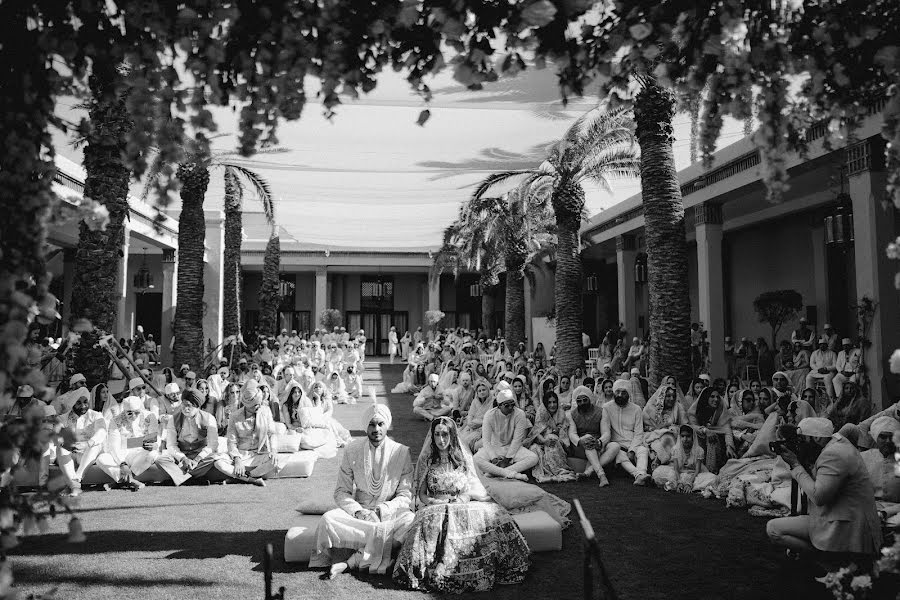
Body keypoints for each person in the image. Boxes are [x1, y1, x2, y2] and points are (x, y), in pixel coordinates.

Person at [393, 417, 530, 593]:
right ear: (432, 436)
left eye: (445, 434)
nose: (441, 439)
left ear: (452, 435)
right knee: (436, 521)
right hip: (436, 505)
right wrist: (435, 502)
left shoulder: (461, 459)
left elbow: (467, 488)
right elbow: (421, 494)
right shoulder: (427, 461)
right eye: (437, 435)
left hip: (461, 505)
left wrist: (461, 500)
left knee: (497, 515)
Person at [309, 403, 415, 577]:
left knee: (410, 521)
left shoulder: (401, 452)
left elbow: (406, 494)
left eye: (380, 424)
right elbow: (341, 491)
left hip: (389, 513)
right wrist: (359, 512)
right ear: (365, 426)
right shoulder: (352, 449)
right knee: (328, 520)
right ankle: (386, 553)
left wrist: (381, 511)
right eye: (372, 424)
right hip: (360, 514)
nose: (376, 429)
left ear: (386, 425)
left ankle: (350, 562)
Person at [767, 417, 882, 557]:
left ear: (818, 438)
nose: (800, 443)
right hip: (839, 515)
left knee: (774, 529)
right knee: (774, 526)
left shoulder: (834, 454)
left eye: (803, 439)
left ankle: (823, 558)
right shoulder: (836, 444)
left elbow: (818, 496)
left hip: (847, 525)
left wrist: (796, 465)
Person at [155, 388, 239, 486]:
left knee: (216, 458)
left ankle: (180, 477)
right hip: (181, 456)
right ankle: (192, 479)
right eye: (183, 405)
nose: (186, 409)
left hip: (202, 457)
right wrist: (183, 459)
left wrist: (197, 459)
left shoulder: (209, 418)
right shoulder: (173, 419)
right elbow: (171, 445)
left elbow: (212, 445)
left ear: (197, 406)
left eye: (189, 406)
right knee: (160, 460)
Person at [97, 396, 160, 491]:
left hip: (140, 455)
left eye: (137, 412)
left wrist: (155, 445)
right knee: (101, 458)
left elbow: (155, 438)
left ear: (141, 409)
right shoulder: (115, 421)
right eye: (129, 413)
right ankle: (132, 481)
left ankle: (118, 482)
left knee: (153, 454)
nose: (134, 416)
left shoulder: (150, 416)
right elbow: (114, 447)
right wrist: (123, 464)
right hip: (121, 456)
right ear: (124, 411)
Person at [474, 389, 538, 480]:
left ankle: (494, 473)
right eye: (507, 405)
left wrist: (507, 459)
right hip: (494, 447)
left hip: (512, 448)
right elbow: (486, 441)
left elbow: (517, 440)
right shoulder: (489, 415)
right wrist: (494, 458)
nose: (511, 408)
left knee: (533, 458)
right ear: (499, 405)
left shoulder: (520, 414)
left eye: (512, 404)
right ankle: (509, 473)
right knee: (475, 459)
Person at [55, 391, 110, 494]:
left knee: (96, 444)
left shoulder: (96, 415)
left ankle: (75, 482)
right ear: (73, 404)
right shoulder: (62, 418)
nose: (83, 406)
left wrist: (87, 444)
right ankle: (74, 486)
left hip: (89, 454)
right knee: (60, 448)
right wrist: (68, 445)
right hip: (71, 454)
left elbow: (102, 431)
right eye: (79, 403)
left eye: (85, 402)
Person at [226, 381, 279, 482]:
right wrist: (237, 459)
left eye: (259, 403)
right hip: (241, 455)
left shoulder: (265, 411)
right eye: (255, 405)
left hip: (259, 454)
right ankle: (252, 479)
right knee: (218, 462)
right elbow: (231, 442)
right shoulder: (234, 416)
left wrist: (273, 450)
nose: (259, 406)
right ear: (247, 405)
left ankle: (245, 476)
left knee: (274, 460)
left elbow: (272, 434)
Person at [566, 386, 619, 486]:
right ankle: (602, 475)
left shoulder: (601, 411)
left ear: (590, 399)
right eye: (579, 401)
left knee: (615, 446)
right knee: (588, 440)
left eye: (584, 400)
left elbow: (606, 433)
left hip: (599, 443)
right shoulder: (571, 414)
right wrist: (581, 441)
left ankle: (587, 472)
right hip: (580, 446)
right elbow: (572, 434)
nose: (582, 403)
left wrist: (599, 442)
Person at [602, 380, 650, 485]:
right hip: (616, 444)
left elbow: (638, 433)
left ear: (629, 394)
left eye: (624, 392)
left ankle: (641, 473)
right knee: (619, 453)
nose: (620, 395)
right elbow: (605, 431)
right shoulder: (606, 408)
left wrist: (632, 450)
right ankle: (639, 475)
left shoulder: (636, 409)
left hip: (633, 442)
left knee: (643, 450)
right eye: (617, 392)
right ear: (614, 392)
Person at [530, 391, 578, 483]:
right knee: (534, 448)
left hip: (558, 444)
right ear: (545, 404)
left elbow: (564, 437)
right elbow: (536, 432)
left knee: (552, 438)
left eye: (554, 402)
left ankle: (557, 470)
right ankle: (546, 473)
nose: (552, 405)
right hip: (543, 442)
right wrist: (544, 441)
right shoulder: (541, 413)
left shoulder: (562, 415)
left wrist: (554, 433)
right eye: (549, 402)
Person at [687, 387, 736, 473]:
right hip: (699, 442)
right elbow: (693, 426)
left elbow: (726, 429)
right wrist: (706, 430)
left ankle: (711, 471)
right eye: (712, 397)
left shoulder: (721, 410)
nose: (716, 399)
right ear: (706, 398)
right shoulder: (695, 411)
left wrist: (729, 446)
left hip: (716, 444)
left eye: (717, 397)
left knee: (713, 438)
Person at [861, 416, 900, 518]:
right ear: (875, 438)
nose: (887, 441)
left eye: (891, 437)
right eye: (883, 437)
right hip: (868, 510)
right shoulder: (862, 458)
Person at [459, 379, 492, 451]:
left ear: (488, 390)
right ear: (477, 393)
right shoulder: (475, 401)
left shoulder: (492, 401)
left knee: (469, 441)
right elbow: (470, 414)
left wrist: (478, 423)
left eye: (484, 390)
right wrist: (470, 423)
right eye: (479, 391)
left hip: (484, 426)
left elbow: (490, 418)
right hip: (472, 425)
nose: (482, 392)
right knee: (461, 438)